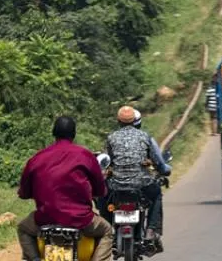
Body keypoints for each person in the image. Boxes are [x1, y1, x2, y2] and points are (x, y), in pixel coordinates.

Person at [17, 116, 113, 261]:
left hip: (45, 219)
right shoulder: (85, 155)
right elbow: (100, 190)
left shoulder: (37, 158)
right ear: (73, 134)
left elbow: (24, 193)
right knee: (107, 231)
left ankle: (35, 259)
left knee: (23, 228)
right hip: (81, 220)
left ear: (54, 133)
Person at [104, 107, 172, 247]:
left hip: (116, 184)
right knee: (157, 195)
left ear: (118, 121)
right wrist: (164, 170)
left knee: (103, 198)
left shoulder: (111, 138)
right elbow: (157, 161)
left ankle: (107, 228)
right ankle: (151, 230)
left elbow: (108, 161)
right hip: (141, 184)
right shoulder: (145, 137)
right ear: (135, 121)